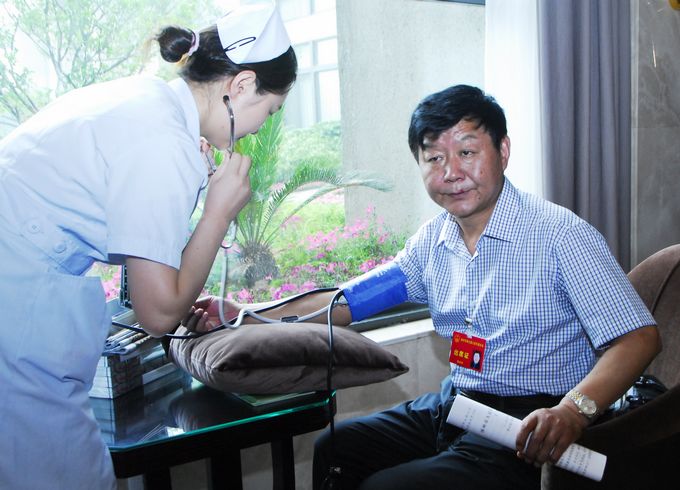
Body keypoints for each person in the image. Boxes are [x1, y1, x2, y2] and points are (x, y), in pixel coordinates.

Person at [185, 84, 661, 490]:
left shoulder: (561, 236)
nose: (451, 172)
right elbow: (346, 301)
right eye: (434, 157)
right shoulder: (434, 241)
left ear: (503, 151)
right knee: (336, 448)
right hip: (460, 405)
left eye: (467, 152)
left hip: (529, 425)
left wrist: (573, 412)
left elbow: (639, 338)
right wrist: (242, 313)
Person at [0, 3, 296, 489]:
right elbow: (158, 313)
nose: (261, 126)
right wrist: (218, 213)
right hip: (16, 303)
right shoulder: (165, 141)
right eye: (269, 110)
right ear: (241, 86)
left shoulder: (148, 102)